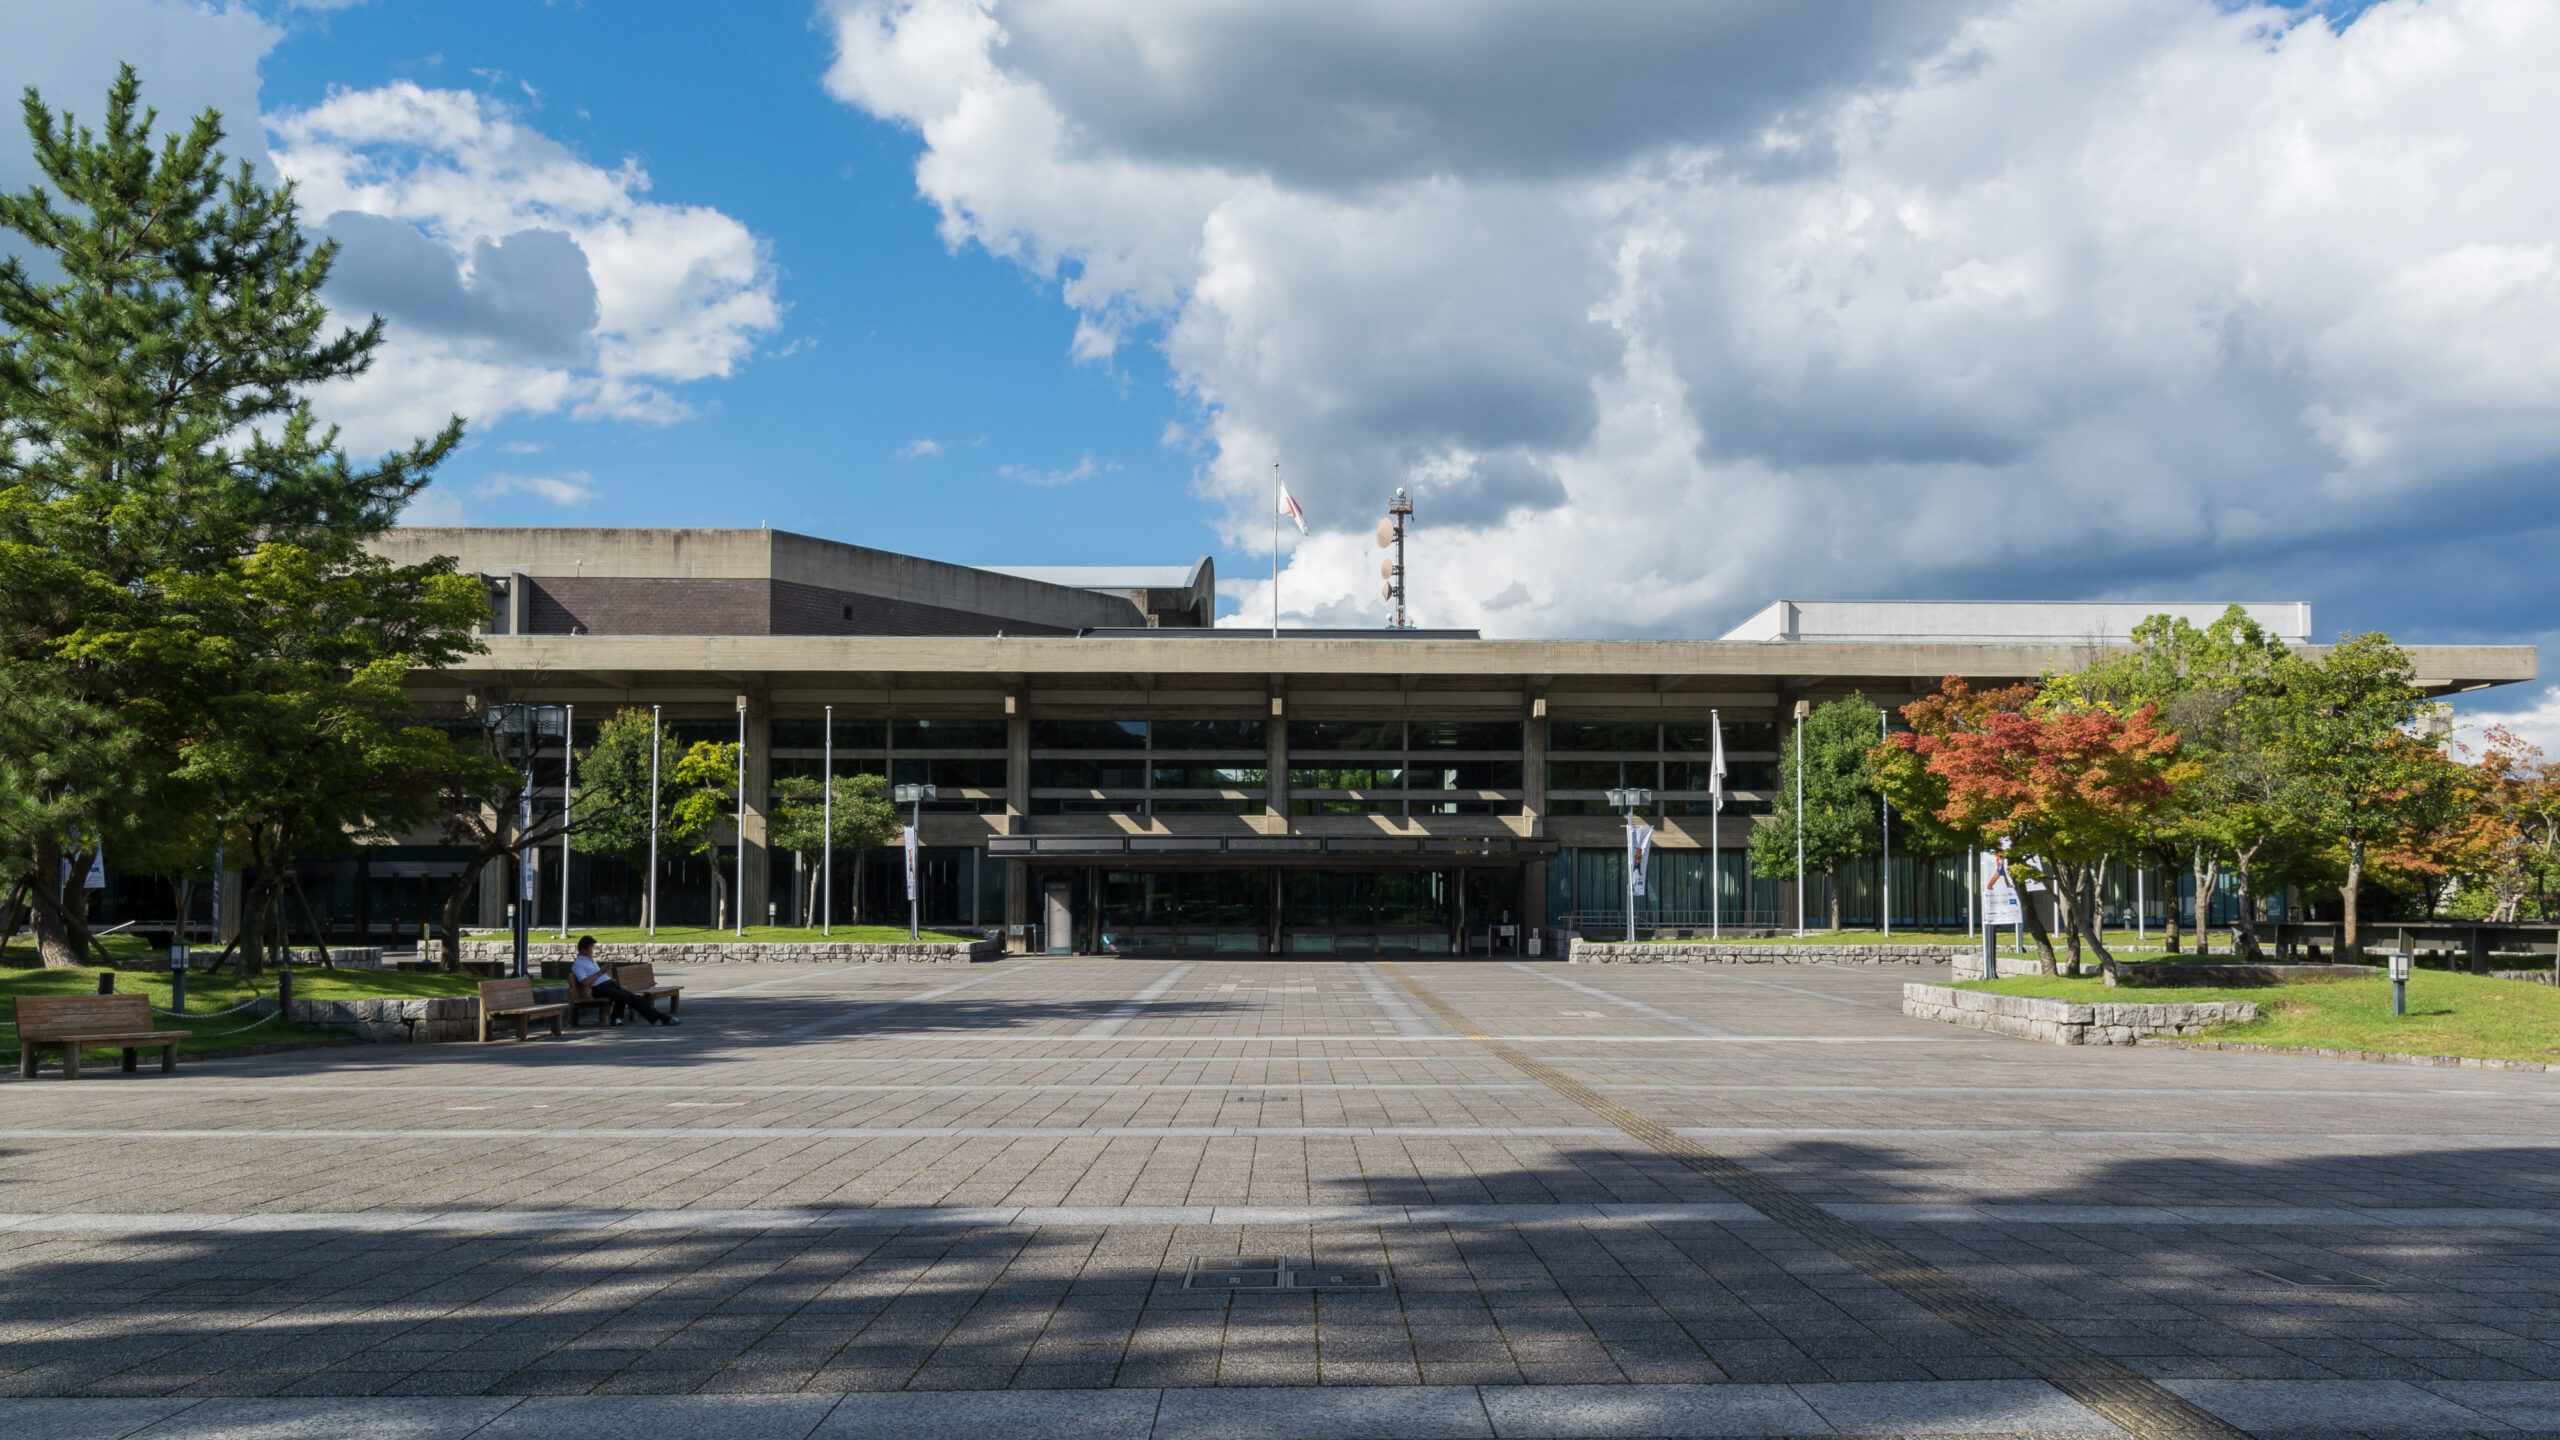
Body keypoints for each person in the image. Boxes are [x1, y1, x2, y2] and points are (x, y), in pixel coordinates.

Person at [569, 936, 677, 1027]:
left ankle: (660, 1019)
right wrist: (601, 971)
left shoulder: (589, 960)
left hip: (609, 985)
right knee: (623, 996)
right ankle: (615, 1018)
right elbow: (584, 982)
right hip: (598, 989)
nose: (592, 951)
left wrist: (604, 971)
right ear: (582, 949)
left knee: (638, 999)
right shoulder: (578, 965)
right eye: (590, 948)